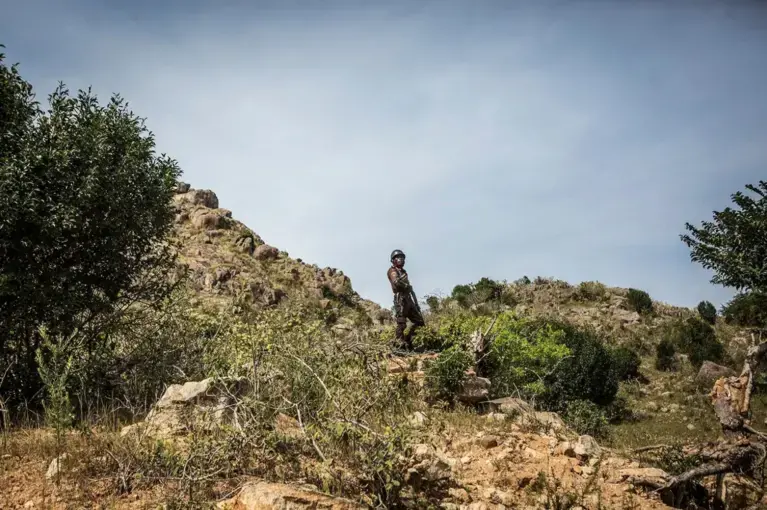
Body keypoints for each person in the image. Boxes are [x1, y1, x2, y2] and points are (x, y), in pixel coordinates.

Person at [387, 249, 424, 349]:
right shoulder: (392, 271)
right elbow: (396, 282)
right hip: (400, 300)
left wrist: (415, 303)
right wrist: (406, 285)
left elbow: (409, 289)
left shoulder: (404, 272)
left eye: (402, 257)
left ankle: (408, 340)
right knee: (401, 324)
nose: (401, 259)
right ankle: (399, 345)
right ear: (393, 260)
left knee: (420, 322)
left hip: (409, 299)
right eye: (398, 257)